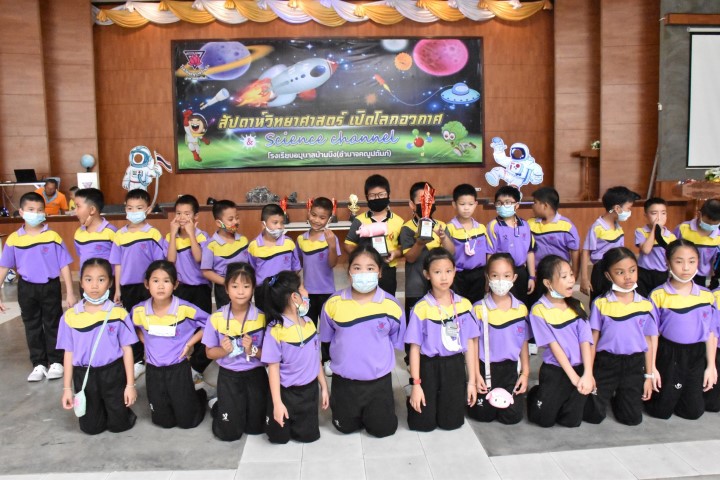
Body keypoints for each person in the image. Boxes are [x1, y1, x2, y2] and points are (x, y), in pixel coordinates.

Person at [320, 245, 405, 437]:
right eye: (357, 268)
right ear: (349, 272)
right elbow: (327, 338)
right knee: (344, 428)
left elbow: (394, 338)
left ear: (380, 272)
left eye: (370, 268)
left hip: (378, 382)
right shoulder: (333, 303)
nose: (363, 273)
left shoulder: (391, 305)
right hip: (344, 382)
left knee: (383, 430)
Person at [0, 192, 76, 381]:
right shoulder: (14, 239)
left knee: (53, 323)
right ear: (21, 212)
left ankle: (56, 361)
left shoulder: (52, 236)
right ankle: (39, 363)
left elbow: (64, 265)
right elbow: (4, 267)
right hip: (26, 288)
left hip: (50, 286)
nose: (36, 213)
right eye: (31, 209)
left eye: (40, 210)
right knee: (31, 325)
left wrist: (70, 292)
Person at [57, 258, 137, 434]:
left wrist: (130, 385)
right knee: (91, 428)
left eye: (101, 279)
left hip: (113, 373)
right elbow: (68, 353)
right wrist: (67, 389)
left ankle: (120, 413)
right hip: (84, 375)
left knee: (119, 426)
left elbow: (127, 350)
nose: (94, 285)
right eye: (88, 279)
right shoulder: (70, 316)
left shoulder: (118, 314)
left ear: (110, 283)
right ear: (81, 283)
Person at [405, 248, 479, 431]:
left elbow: (470, 344)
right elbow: (414, 348)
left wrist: (472, 382)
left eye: (448, 271)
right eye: (437, 272)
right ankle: (413, 398)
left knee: (451, 423)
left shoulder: (464, 305)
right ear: (427, 275)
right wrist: (416, 385)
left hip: (454, 366)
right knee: (423, 424)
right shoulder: (421, 308)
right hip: (428, 366)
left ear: (455, 272)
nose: (444, 277)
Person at [583, 247, 658, 426]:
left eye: (632, 270)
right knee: (593, 416)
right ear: (608, 276)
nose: (628, 277)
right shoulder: (601, 304)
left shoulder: (646, 305)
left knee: (632, 419)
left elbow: (649, 340)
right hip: (606, 363)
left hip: (634, 364)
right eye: (620, 272)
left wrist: (649, 375)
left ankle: (620, 398)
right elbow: (593, 340)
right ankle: (608, 394)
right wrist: (589, 373)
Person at [645, 239, 718, 420]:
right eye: (679, 261)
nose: (686, 268)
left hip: (696, 355)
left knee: (693, 412)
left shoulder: (707, 296)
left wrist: (711, 366)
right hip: (669, 354)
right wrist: (651, 369)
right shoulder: (658, 295)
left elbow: (711, 332)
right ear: (668, 263)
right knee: (661, 412)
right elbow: (651, 336)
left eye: (692, 261)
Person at [132, 261, 208, 429]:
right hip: (153, 370)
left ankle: (200, 395)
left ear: (175, 284)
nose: (161, 286)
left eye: (166, 281)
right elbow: (131, 328)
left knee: (188, 422)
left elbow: (211, 324)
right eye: (155, 281)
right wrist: (144, 339)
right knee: (164, 422)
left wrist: (189, 343)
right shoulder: (139, 310)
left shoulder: (184, 308)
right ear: (147, 284)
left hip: (178, 368)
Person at [260, 271, 329, 444]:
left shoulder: (310, 323)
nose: (306, 292)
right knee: (279, 438)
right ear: (294, 297)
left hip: (309, 393)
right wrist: (277, 403)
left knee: (308, 437)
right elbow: (273, 368)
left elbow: (316, 359)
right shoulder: (275, 330)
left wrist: (323, 386)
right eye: (302, 288)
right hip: (285, 393)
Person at [203, 262, 268, 441]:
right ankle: (218, 404)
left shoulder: (262, 318)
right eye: (235, 286)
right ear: (226, 289)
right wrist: (223, 351)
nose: (240, 292)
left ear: (253, 288)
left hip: (255, 375)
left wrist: (251, 349)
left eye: (246, 286)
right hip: (229, 376)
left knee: (257, 428)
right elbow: (209, 353)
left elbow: (269, 356)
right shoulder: (216, 318)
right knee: (229, 434)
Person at [527, 255, 595, 428]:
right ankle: (536, 393)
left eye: (571, 274)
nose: (571, 280)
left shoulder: (577, 305)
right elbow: (554, 346)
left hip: (580, 368)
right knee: (544, 420)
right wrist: (574, 378)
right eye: (564, 277)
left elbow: (586, 341)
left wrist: (588, 374)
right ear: (548, 283)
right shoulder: (539, 310)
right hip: (556, 370)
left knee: (571, 422)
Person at [110, 188, 167, 378]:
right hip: (127, 287)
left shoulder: (153, 234)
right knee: (132, 322)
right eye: (130, 208)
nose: (134, 211)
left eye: (139, 208)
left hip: (148, 287)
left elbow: (159, 264)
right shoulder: (119, 235)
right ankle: (137, 360)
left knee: (151, 321)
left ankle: (155, 355)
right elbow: (117, 264)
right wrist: (117, 289)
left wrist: (156, 286)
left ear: (148, 209)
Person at [468, 253, 531, 425]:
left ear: (514, 278)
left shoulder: (521, 309)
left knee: (512, 417)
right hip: (486, 368)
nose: (501, 281)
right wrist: (475, 375)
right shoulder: (479, 309)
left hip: (511, 369)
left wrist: (525, 373)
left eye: (506, 276)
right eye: (495, 275)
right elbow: (473, 346)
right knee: (483, 415)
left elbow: (523, 343)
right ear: (487, 277)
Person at [400, 182, 455, 339]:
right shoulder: (407, 228)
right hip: (416, 285)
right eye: (421, 201)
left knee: (438, 322)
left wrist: (443, 237)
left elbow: (451, 252)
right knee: (415, 326)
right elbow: (410, 257)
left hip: (439, 287)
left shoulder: (441, 226)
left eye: (429, 200)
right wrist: (419, 243)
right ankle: (413, 352)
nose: (425, 205)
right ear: (412, 204)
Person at [166, 194, 212, 381]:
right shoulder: (170, 237)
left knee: (203, 326)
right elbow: (170, 261)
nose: (182, 217)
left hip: (200, 288)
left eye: (187, 213)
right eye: (178, 213)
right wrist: (172, 235)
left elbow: (199, 258)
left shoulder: (202, 236)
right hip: (180, 289)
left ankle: (196, 366)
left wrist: (191, 234)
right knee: (182, 326)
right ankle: (180, 360)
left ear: (195, 217)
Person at [344, 174, 404, 296]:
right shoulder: (359, 220)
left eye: (381, 194)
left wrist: (395, 253)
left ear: (388, 194)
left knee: (387, 300)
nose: (377, 198)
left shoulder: (399, 221)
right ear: (367, 197)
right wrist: (363, 254)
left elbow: (404, 247)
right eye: (372, 195)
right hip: (364, 271)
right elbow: (348, 245)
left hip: (388, 270)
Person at [580, 186, 640, 302]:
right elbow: (585, 252)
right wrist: (584, 278)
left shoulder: (618, 227)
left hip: (618, 270)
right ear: (617, 208)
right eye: (628, 209)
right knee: (601, 301)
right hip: (601, 271)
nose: (629, 212)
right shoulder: (597, 227)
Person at [487, 185, 536, 308]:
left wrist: (532, 276)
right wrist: (489, 279)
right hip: (502, 274)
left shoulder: (525, 225)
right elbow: (490, 254)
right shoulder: (493, 226)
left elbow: (530, 252)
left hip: (521, 272)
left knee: (522, 305)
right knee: (503, 304)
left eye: (508, 202)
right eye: (499, 203)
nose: (503, 206)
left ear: (517, 205)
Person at [298, 197, 340, 327]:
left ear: (329, 219)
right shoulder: (301, 239)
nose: (316, 220)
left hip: (326, 291)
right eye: (314, 215)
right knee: (308, 326)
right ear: (309, 213)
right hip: (307, 292)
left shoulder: (331, 238)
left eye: (322, 218)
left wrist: (332, 246)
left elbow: (332, 264)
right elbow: (299, 264)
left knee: (328, 327)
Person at [201, 200, 249, 309]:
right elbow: (206, 271)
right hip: (223, 289)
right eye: (230, 219)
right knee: (226, 315)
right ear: (219, 223)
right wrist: (227, 282)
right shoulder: (211, 245)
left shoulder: (243, 240)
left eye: (237, 218)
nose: (235, 222)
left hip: (244, 285)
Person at [446, 183, 488, 303]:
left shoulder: (481, 228)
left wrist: (487, 275)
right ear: (454, 204)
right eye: (462, 204)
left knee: (477, 305)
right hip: (458, 275)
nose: (466, 208)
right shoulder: (450, 227)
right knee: (459, 305)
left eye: (470, 204)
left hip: (479, 274)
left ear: (476, 204)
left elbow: (486, 253)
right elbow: (447, 253)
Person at [529, 186, 580, 282]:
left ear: (545, 206)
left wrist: (575, 273)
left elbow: (575, 250)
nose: (532, 206)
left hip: (560, 275)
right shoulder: (529, 224)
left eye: (535, 202)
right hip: (537, 274)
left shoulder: (566, 226)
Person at [248, 203, 301, 287]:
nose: (279, 226)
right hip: (263, 290)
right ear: (263, 224)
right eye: (275, 223)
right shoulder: (253, 246)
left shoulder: (289, 243)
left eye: (282, 223)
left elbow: (296, 268)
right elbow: (251, 270)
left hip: (284, 289)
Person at [674, 199, 720, 288]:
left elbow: (716, 259)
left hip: (702, 275)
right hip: (682, 272)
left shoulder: (718, 236)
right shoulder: (683, 229)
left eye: (715, 224)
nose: (710, 226)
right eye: (707, 223)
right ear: (699, 214)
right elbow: (671, 248)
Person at [635, 197, 675, 298]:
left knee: (658, 298)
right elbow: (646, 250)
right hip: (643, 272)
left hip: (662, 273)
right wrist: (654, 229)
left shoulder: (670, 236)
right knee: (642, 298)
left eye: (663, 213)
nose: (659, 217)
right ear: (646, 215)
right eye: (654, 213)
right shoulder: (641, 231)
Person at [73, 188, 117, 268]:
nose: (75, 211)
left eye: (78, 206)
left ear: (92, 210)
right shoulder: (78, 233)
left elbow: (119, 260)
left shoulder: (112, 232)